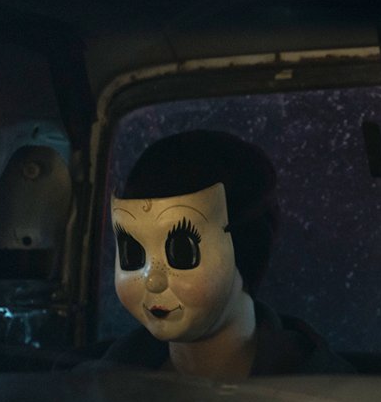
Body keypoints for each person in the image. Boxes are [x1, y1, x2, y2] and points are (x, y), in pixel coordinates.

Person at [94, 130, 349, 378]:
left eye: (182, 252)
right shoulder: (102, 381)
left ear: (245, 248)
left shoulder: (327, 391)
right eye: (132, 252)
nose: (153, 280)